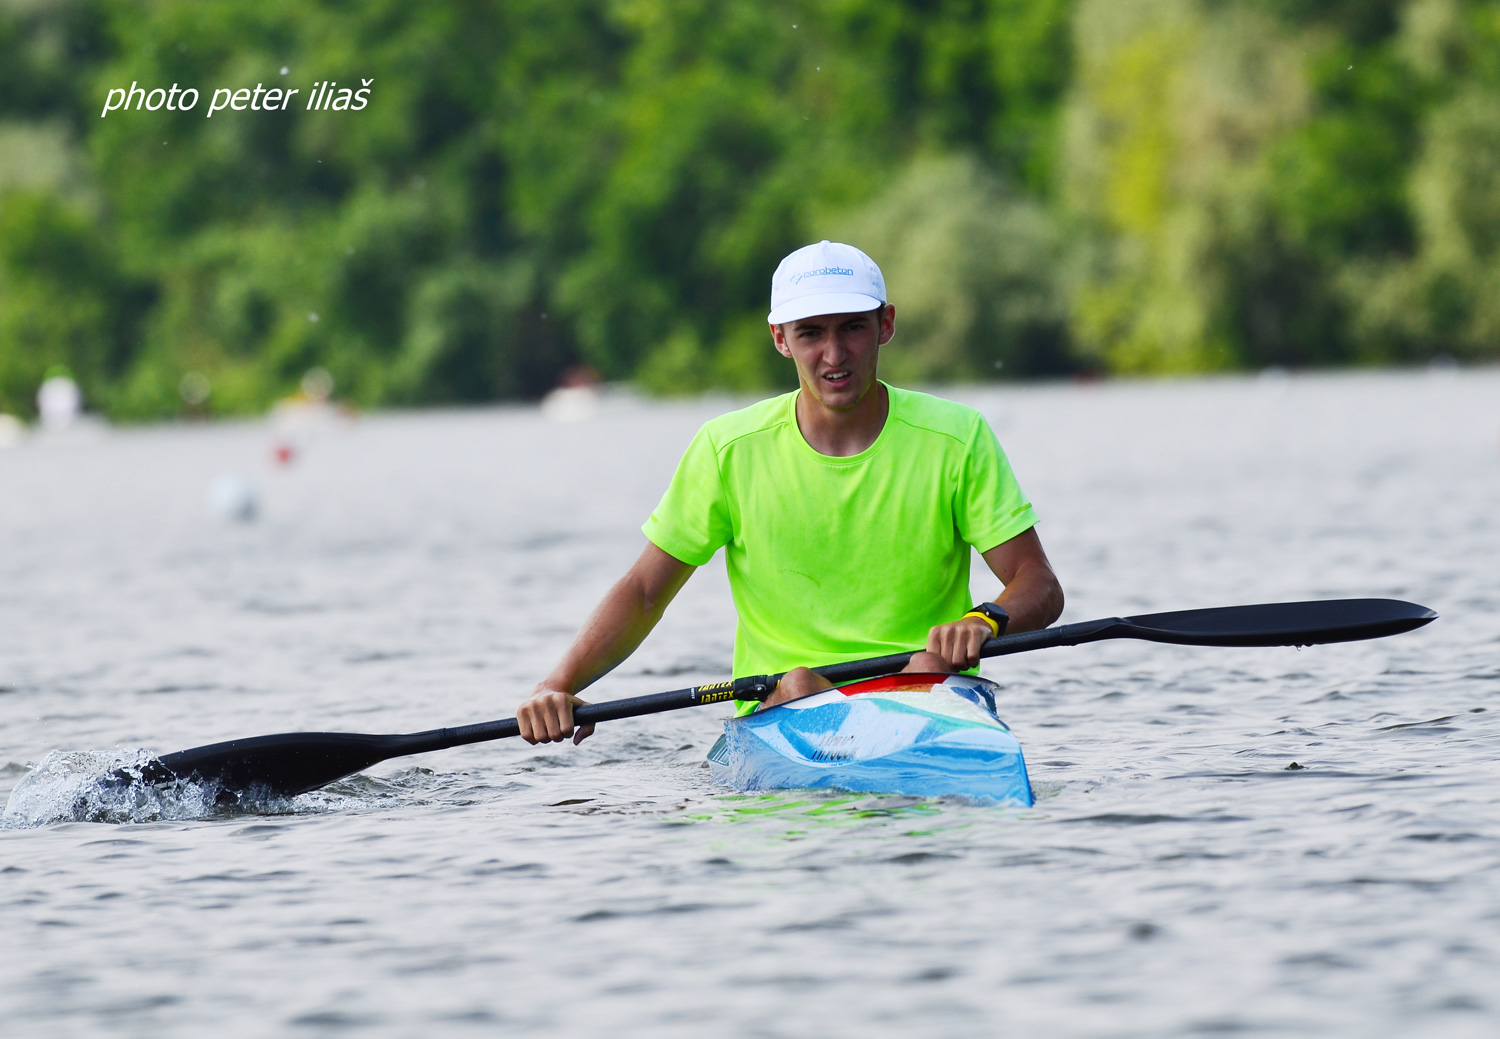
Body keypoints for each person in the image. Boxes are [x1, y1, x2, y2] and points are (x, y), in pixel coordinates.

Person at [517, 241, 1064, 745]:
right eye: (811, 333)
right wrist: (558, 683)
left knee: (925, 666)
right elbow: (643, 592)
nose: (834, 355)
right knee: (802, 681)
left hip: (931, 690)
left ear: (886, 325)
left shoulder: (957, 437)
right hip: (785, 703)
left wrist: (983, 620)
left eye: (852, 328)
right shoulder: (728, 449)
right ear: (780, 338)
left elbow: (1038, 584)